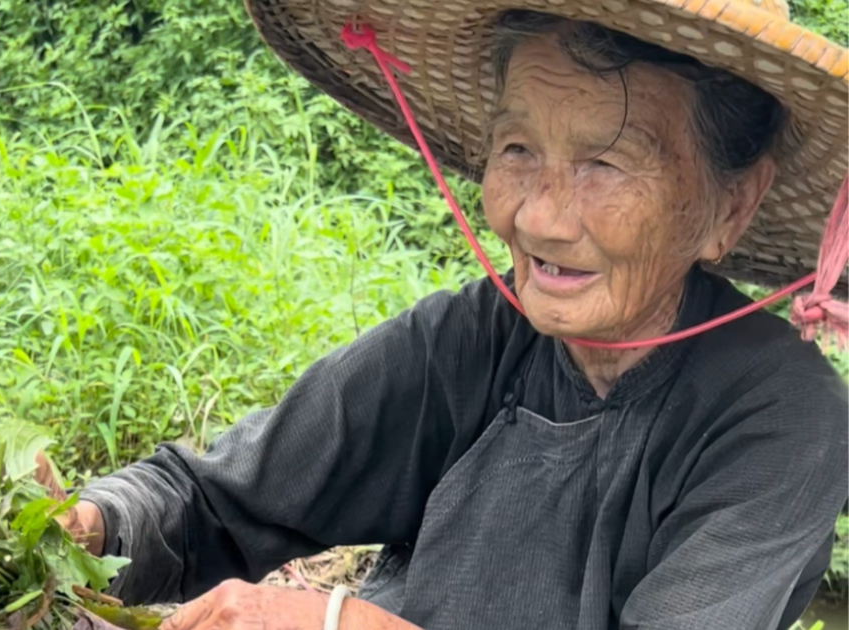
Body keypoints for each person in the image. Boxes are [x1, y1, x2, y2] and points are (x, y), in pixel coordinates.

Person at [59, 1, 848, 630]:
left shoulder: (781, 419)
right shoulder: (478, 339)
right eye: (516, 150)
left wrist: (339, 622)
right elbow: (217, 498)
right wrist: (85, 524)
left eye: (604, 163)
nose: (538, 218)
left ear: (730, 205)